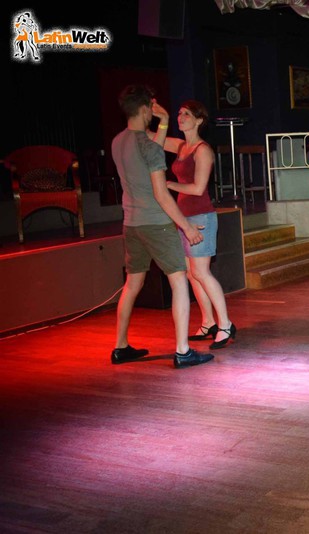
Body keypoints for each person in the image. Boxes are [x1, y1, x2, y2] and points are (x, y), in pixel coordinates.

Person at [110, 85, 214, 369]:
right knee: (178, 280)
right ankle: (183, 351)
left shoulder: (118, 141)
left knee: (132, 283)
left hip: (131, 223)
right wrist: (187, 227)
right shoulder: (149, 147)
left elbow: (149, 147)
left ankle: (120, 347)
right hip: (156, 223)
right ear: (146, 110)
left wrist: (165, 120)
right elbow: (161, 194)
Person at [153, 99, 237, 350]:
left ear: (199, 120)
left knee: (201, 272)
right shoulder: (181, 146)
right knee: (191, 273)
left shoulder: (203, 150)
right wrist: (156, 116)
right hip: (183, 217)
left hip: (201, 216)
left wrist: (168, 184)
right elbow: (152, 139)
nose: (181, 117)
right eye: (179, 113)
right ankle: (209, 321)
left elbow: (199, 188)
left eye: (187, 114)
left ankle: (225, 324)